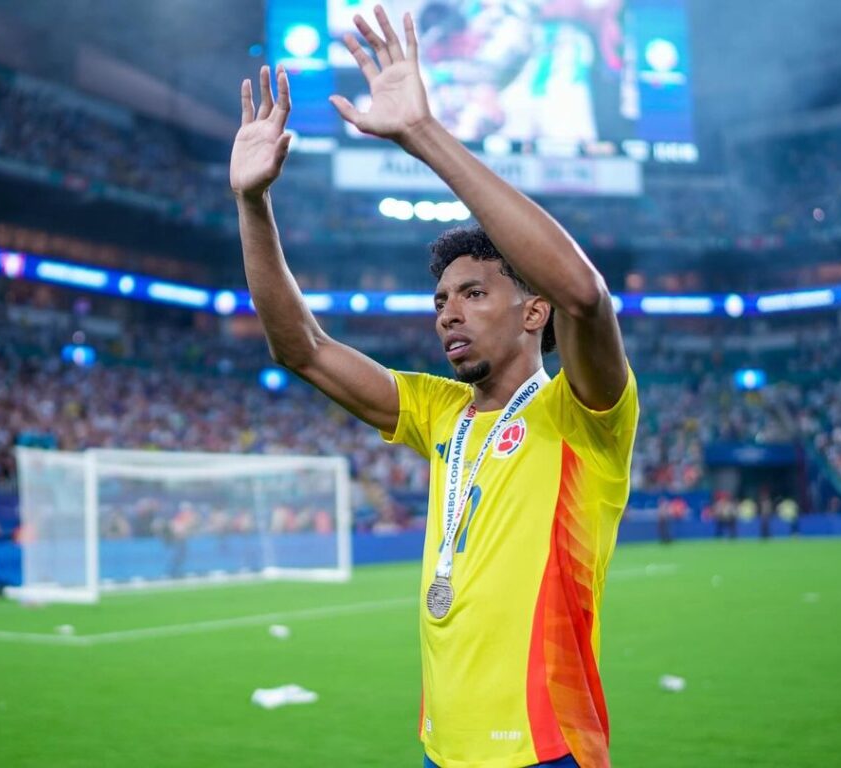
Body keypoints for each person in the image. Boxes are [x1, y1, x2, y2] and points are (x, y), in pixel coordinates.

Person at [229, 8, 638, 768]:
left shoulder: (585, 415)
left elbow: (586, 295)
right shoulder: (438, 410)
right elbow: (303, 349)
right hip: (438, 748)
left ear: (532, 309)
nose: (448, 312)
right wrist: (253, 204)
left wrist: (422, 134)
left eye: (475, 294)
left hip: (545, 750)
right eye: (441, 301)